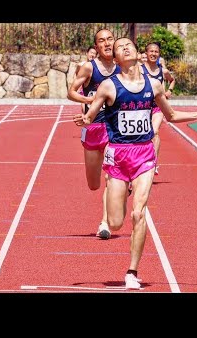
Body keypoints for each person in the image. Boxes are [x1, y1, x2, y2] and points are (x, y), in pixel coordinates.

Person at [73, 37, 197, 289]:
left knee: (139, 212)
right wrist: (84, 121)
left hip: (144, 154)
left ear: (137, 53)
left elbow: (170, 115)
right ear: (115, 59)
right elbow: (91, 114)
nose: (125, 48)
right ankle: (121, 191)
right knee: (116, 222)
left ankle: (131, 272)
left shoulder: (155, 85)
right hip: (118, 155)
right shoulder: (108, 86)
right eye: (119, 48)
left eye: (128, 45)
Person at [68, 29, 121, 239]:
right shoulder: (89, 68)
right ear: (96, 46)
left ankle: (105, 223)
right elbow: (71, 92)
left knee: (111, 177)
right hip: (93, 129)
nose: (107, 43)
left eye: (110, 39)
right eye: (102, 41)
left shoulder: (123, 67)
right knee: (94, 184)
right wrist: (92, 101)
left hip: (114, 130)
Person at [140, 42, 176, 175]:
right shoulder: (139, 69)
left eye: (156, 52)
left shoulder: (163, 71)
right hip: (142, 107)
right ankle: (140, 161)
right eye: (151, 51)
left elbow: (172, 80)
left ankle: (153, 163)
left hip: (157, 107)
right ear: (146, 53)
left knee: (154, 133)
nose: (154, 54)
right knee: (143, 135)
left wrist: (169, 91)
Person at [75, 46, 98, 112]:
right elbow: (77, 76)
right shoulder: (80, 65)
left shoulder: (97, 66)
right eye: (91, 53)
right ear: (87, 53)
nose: (92, 55)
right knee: (84, 110)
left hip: (93, 91)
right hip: (83, 90)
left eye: (94, 54)